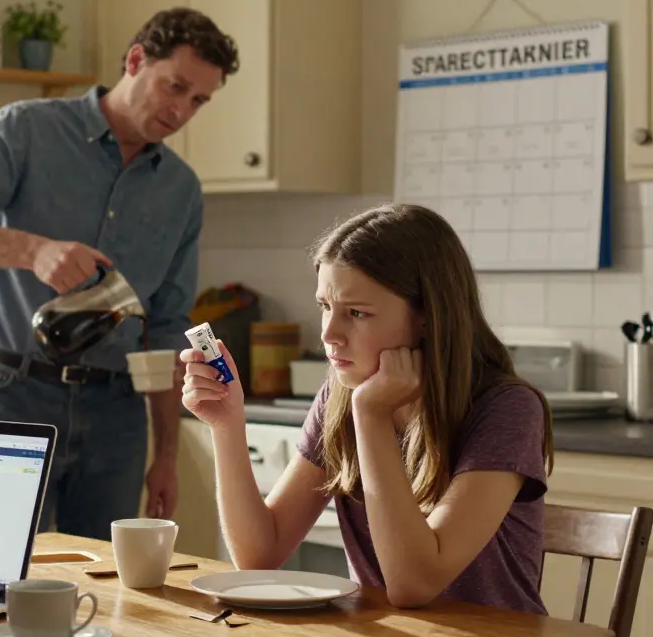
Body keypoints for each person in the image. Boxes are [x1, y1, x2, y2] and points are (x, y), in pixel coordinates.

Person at [0, 8, 239, 540]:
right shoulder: (27, 130)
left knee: (107, 591)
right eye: (174, 86)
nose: (181, 111)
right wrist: (32, 250)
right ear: (134, 60)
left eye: (198, 100)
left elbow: (167, 325)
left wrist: (167, 455)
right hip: (14, 395)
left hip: (119, 418)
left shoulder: (181, 190)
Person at [181, 203, 555, 613]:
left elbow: (415, 584)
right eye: (326, 306)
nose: (329, 334)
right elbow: (259, 556)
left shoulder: (507, 410)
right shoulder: (345, 394)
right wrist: (228, 423)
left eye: (357, 313)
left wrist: (372, 417)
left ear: (428, 316)